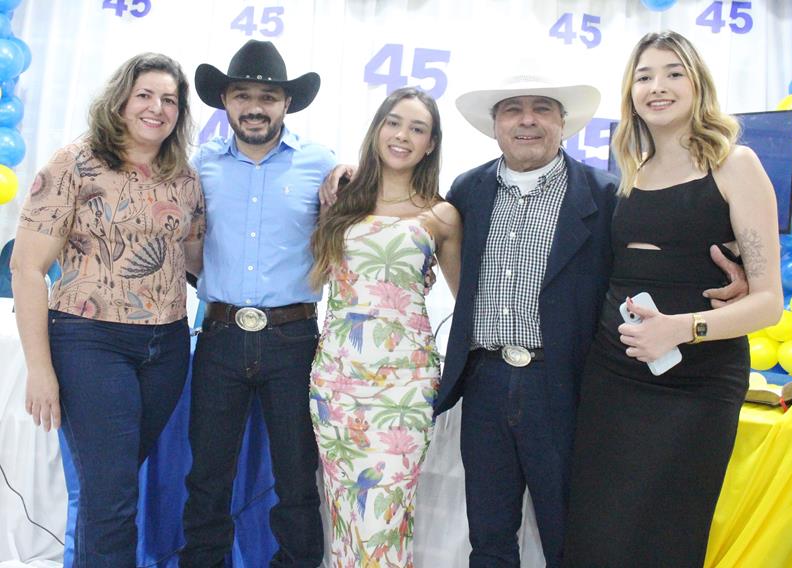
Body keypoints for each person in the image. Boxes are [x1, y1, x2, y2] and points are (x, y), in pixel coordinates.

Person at [428, 75, 750, 568]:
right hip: (485, 382)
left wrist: (737, 267)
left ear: (564, 123)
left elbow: (658, 252)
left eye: (542, 108)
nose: (527, 119)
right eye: (513, 109)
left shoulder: (607, 194)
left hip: (565, 386)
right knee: (489, 536)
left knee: (571, 537)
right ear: (495, 125)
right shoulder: (468, 190)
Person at [563, 31, 782, 568]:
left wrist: (682, 328)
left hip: (698, 384)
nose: (657, 87)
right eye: (644, 76)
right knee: (596, 533)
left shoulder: (737, 165)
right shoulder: (628, 173)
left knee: (666, 537)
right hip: (614, 376)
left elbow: (770, 303)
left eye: (672, 73)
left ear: (697, 84)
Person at [11, 53, 203, 567]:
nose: (157, 108)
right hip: (90, 342)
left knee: (108, 492)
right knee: (113, 502)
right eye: (145, 95)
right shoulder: (73, 163)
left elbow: (198, 258)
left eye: (169, 99)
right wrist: (40, 369)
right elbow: (27, 269)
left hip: (166, 348)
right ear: (121, 100)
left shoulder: (184, 177)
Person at [180, 40, 336, 568]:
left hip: (294, 340)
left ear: (286, 104)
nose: (255, 106)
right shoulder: (197, 167)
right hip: (219, 336)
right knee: (207, 476)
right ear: (224, 100)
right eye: (242, 94)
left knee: (296, 477)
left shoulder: (323, 165)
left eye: (267, 96)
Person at [309, 86, 461, 566]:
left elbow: (468, 303)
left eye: (418, 129)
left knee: (386, 513)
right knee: (345, 511)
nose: (403, 135)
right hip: (336, 381)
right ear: (377, 129)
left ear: (431, 143)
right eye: (394, 122)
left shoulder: (442, 215)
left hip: (404, 389)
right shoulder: (341, 200)